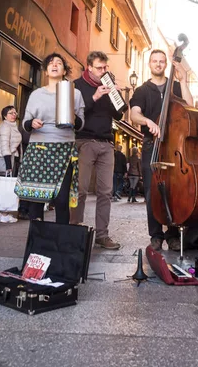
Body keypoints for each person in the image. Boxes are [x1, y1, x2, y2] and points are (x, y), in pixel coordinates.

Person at [130, 49, 193, 251]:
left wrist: (183, 81)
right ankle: (155, 235)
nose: (158, 64)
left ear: (166, 65)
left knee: (174, 190)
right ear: (149, 64)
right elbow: (134, 115)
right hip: (152, 145)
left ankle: (173, 234)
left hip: (174, 146)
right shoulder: (141, 91)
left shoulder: (174, 86)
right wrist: (147, 121)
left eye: (161, 61)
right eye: (154, 61)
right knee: (152, 191)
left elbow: (190, 106)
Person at [14, 53, 85, 223]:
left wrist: (74, 118)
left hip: (64, 148)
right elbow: (25, 122)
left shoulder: (75, 94)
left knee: (61, 200)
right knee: (36, 199)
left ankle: (60, 243)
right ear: (46, 71)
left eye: (59, 63)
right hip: (39, 148)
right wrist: (32, 123)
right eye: (51, 63)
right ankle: (38, 243)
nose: (54, 65)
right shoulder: (36, 95)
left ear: (64, 70)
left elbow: (82, 124)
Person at [70, 51, 124, 250]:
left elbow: (119, 114)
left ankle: (102, 235)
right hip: (84, 141)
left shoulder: (108, 84)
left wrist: (116, 96)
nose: (103, 71)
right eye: (99, 68)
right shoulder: (77, 86)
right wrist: (95, 96)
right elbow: (74, 114)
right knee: (80, 189)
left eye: (105, 68)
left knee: (105, 192)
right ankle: (74, 227)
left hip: (106, 143)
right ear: (89, 67)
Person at [0, 105, 22, 224]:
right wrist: (9, 164)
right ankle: (4, 214)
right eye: (10, 113)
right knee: (7, 187)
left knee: (1, 187)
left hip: (9, 159)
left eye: (15, 113)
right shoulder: (6, 127)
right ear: (4, 116)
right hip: (8, 160)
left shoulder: (11, 126)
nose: (14, 115)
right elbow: (5, 146)